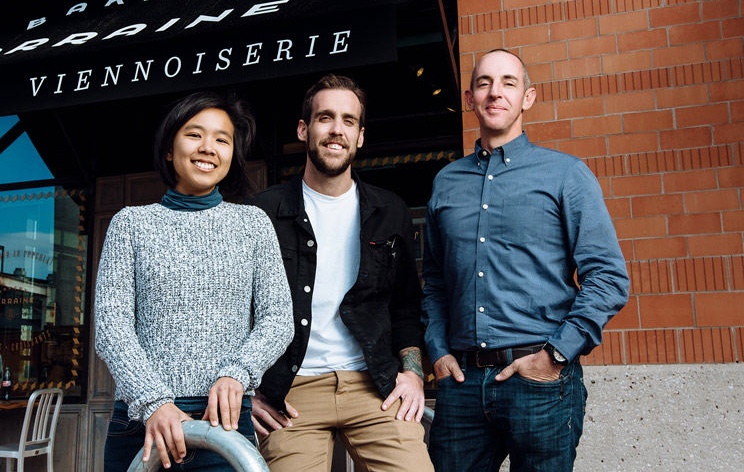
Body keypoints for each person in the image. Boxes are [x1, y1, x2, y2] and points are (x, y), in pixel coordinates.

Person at [422, 49, 630, 471]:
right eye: (484, 83)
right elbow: (434, 283)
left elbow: (608, 278)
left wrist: (555, 356)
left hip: (540, 381)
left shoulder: (566, 175)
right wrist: (438, 350)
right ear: (469, 98)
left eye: (508, 83)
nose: (494, 93)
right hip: (461, 383)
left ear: (528, 97)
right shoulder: (446, 183)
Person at [94, 91, 293, 471]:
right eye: (194, 134)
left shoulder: (252, 225)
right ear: (170, 149)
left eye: (222, 139)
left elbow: (278, 317)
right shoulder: (130, 225)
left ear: (232, 155)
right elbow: (111, 326)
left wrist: (238, 372)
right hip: (141, 421)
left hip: (225, 421)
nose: (208, 148)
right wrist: (154, 402)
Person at [247, 74, 434, 472]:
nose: (336, 130)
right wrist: (249, 391)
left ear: (360, 136)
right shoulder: (261, 213)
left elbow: (404, 306)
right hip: (291, 393)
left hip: (373, 385)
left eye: (348, 121)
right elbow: (233, 313)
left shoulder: (390, 211)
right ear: (304, 129)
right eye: (325, 118)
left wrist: (413, 375)